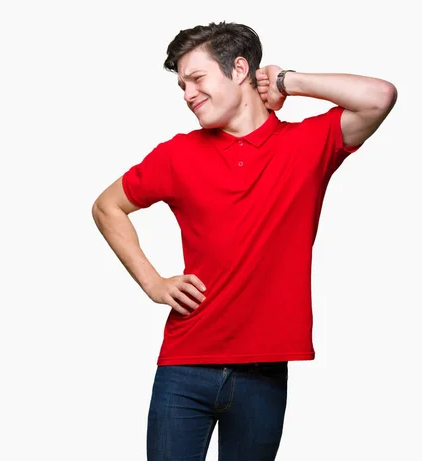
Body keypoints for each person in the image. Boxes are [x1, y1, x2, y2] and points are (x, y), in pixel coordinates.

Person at [92, 21, 397, 461]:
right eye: (181, 85)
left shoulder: (308, 144)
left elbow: (380, 96)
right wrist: (154, 283)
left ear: (239, 70)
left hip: (264, 372)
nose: (187, 94)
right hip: (184, 365)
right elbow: (107, 206)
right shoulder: (177, 154)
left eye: (196, 79)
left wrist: (287, 80)